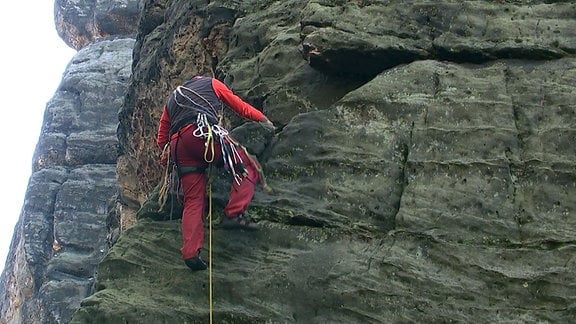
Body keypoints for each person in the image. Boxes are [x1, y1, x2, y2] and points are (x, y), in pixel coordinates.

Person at [156, 75, 275, 271]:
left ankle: (190, 252)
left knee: (193, 200)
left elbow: (162, 139)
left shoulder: (172, 98)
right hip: (201, 134)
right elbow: (239, 106)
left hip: (178, 146)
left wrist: (168, 150)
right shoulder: (211, 83)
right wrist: (264, 120)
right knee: (244, 166)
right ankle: (234, 213)